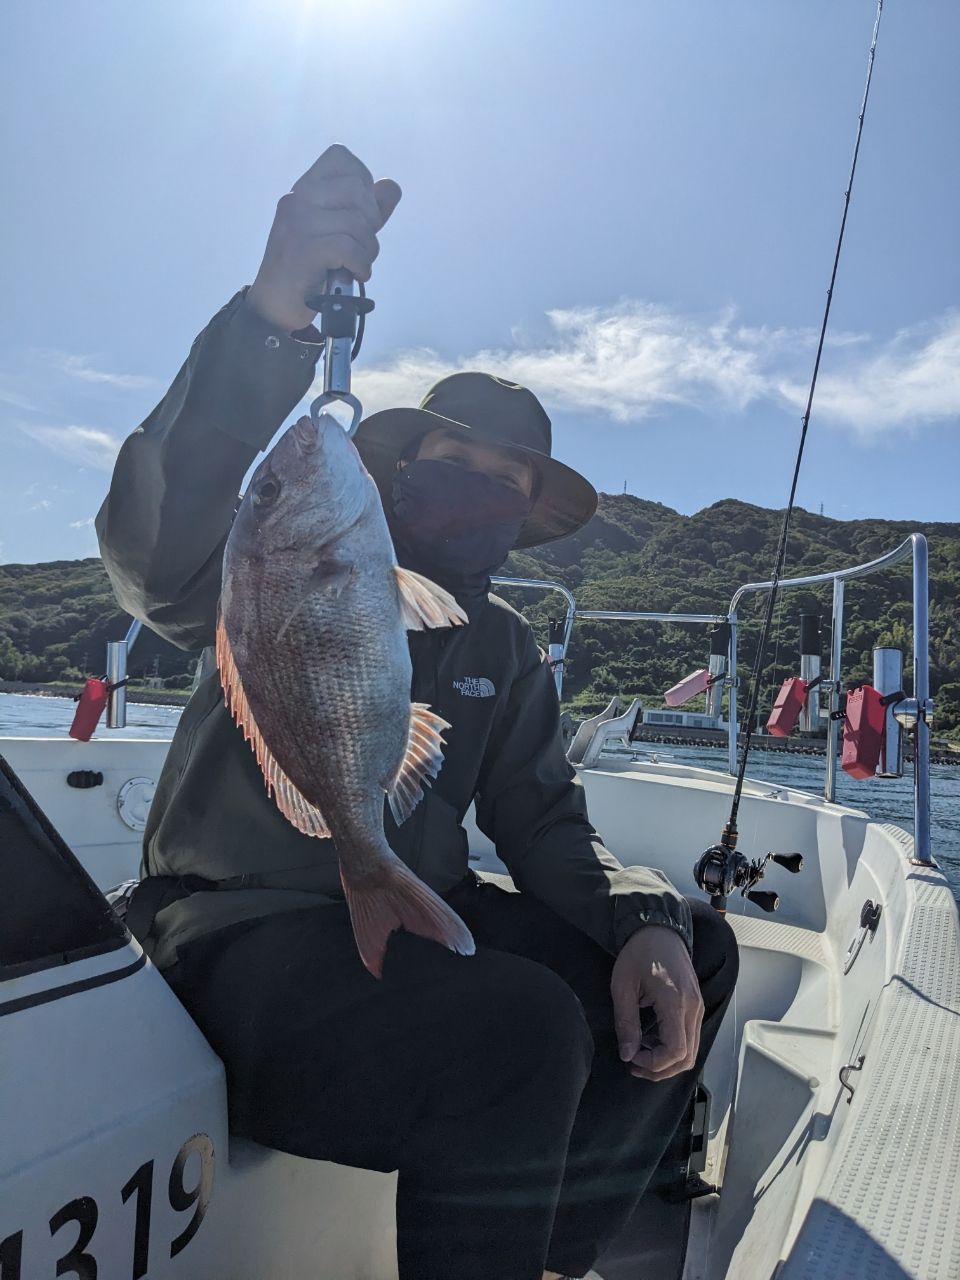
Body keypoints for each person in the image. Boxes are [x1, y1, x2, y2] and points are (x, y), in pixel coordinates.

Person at [97, 145, 738, 1280]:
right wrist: (270, 321)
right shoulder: (282, 563)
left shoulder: (501, 645)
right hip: (235, 938)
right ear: (397, 466)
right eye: (457, 460)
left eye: (510, 482)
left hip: (412, 914)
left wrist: (643, 913)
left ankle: (553, 1251)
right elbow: (157, 557)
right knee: (524, 1024)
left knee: (695, 944)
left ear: (525, 515)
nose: (481, 491)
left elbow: (543, 822)